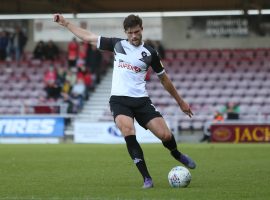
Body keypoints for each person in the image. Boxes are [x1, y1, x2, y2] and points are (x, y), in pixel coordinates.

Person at [53, 13, 196, 189]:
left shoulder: (150, 53)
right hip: (119, 100)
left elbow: (164, 79)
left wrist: (180, 102)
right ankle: (147, 178)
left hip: (141, 100)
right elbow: (88, 37)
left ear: (142, 29)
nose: (133, 36)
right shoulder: (117, 44)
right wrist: (66, 23)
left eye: (136, 32)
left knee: (165, 135)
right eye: (130, 33)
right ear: (125, 32)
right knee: (128, 130)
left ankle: (176, 153)